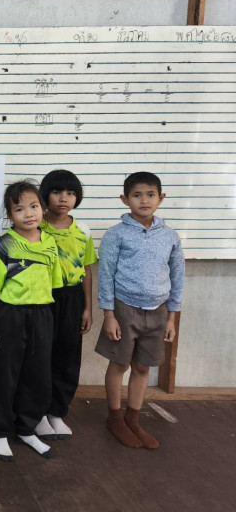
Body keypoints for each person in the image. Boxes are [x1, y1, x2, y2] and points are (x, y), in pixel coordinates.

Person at [95, 172, 184, 449]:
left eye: (150, 195)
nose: (144, 200)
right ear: (125, 199)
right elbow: (106, 275)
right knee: (119, 364)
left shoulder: (170, 236)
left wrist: (171, 317)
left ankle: (133, 419)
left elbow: (177, 276)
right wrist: (109, 315)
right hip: (124, 309)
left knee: (143, 366)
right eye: (137, 195)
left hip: (158, 311)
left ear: (161, 198)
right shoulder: (116, 234)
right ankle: (114, 418)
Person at [0, 181, 62, 462]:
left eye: (34, 206)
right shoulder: (3, 244)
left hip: (41, 315)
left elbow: (54, 284)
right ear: (10, 215)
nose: (28, 214)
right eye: (19, 209)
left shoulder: (50, 243)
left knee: (37, 375)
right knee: (4, 375)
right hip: (9, 315)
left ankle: (26, 428)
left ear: (43, 208)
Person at [35, 170, 97, 441]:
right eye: (57, 192)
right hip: (42, 297)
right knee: (40, 356)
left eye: (70, 193)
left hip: (72, 299)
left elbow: (87, 269)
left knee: (67, 357)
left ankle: (56, 412)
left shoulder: (82, 231)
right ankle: (37, 412)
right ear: (45, 195)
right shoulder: (35, 226)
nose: (64, 198)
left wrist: (87, 308)